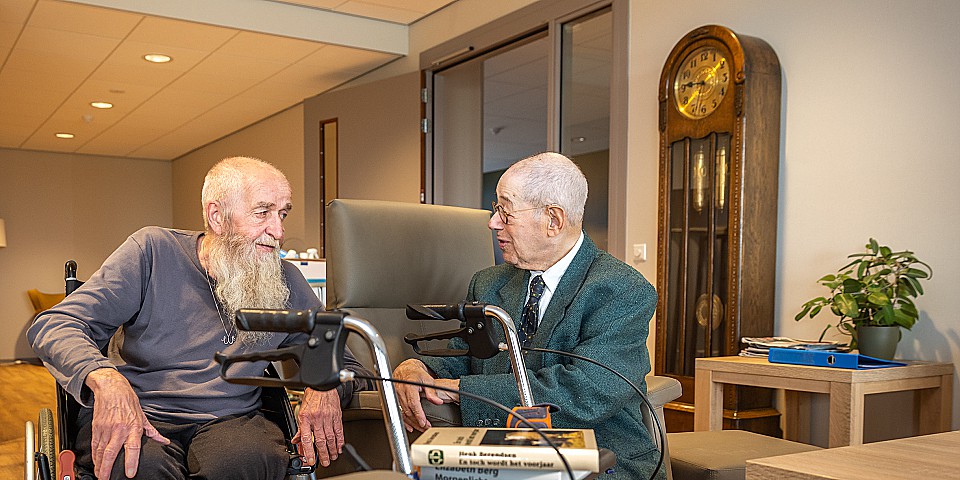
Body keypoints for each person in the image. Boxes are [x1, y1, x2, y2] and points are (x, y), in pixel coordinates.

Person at [28, 156, 372, 480]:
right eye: (263, 213)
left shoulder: (286, 280)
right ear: (217, 216)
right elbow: (55, 324)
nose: (278, 231)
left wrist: (325, 385)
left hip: (232, 421)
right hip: (141, 411)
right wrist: (106, 378)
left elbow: (348, 367)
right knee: (138, 466)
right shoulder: (152, 251)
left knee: (245, 460)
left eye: (282, 214)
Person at [392, 152, 662, 480]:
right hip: (502, 455)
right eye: (496, 210)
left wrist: (462, 390)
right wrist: (416, 368)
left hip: (601, 458)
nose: (493, 223)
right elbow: (459, 355)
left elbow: (587, 392)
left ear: (553, 220)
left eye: (506, 213)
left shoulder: (621, 289)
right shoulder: (488, 283)